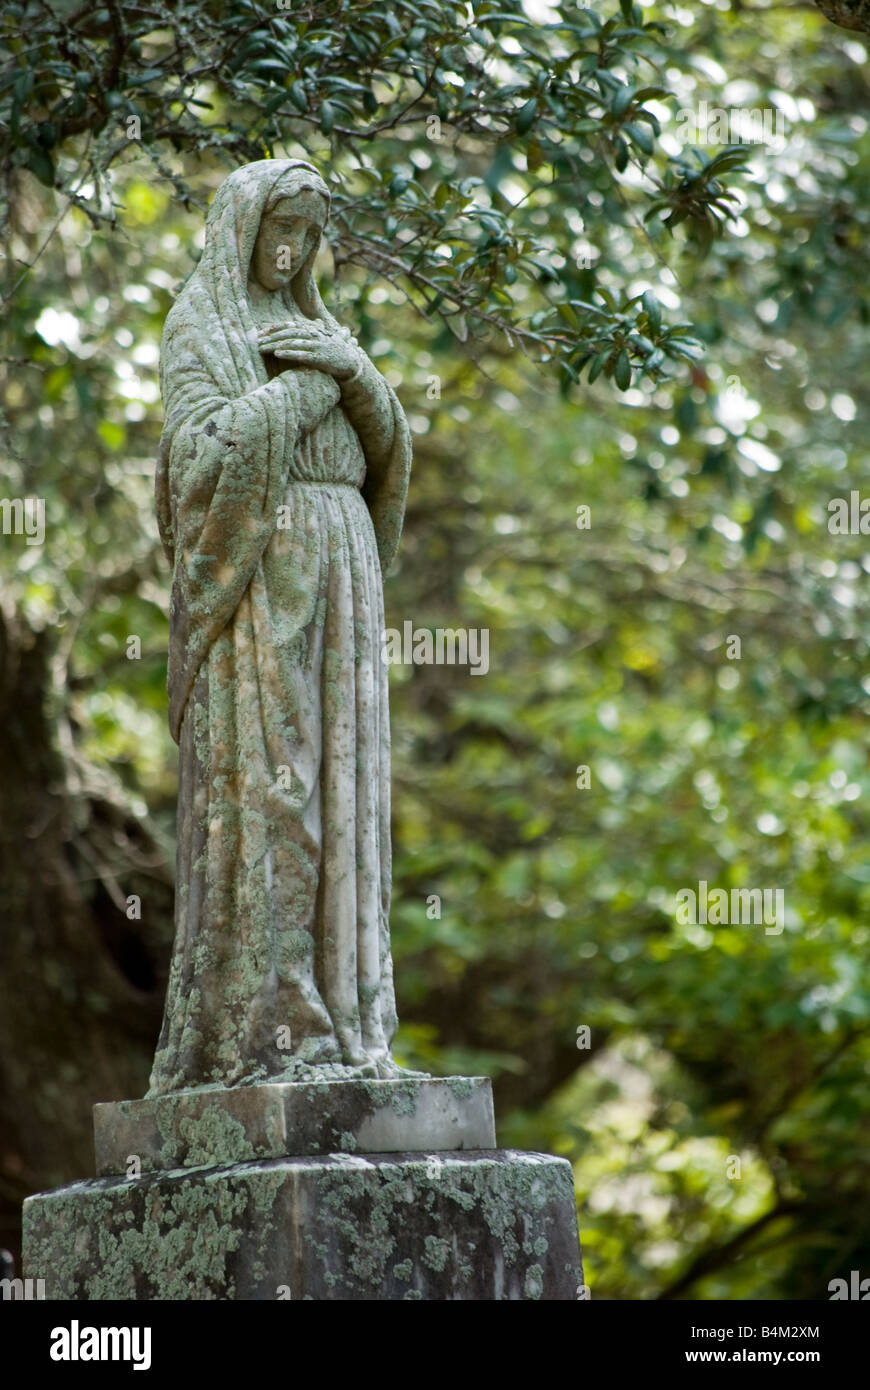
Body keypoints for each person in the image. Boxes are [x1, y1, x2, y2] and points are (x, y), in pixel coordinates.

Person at [149, 158, 420, 1093]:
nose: (292, 249)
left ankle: (352, 1020)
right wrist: (305, 395)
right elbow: (195, 462)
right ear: (243, 228)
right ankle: (271, 1020)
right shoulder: (202, 327)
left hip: (342, 571)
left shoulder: (322, 329)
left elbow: (388, 445)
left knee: (344, 787)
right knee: (280, 783)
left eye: (307, 234)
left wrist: (356, 378)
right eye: (279, 229)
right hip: (262, 572)